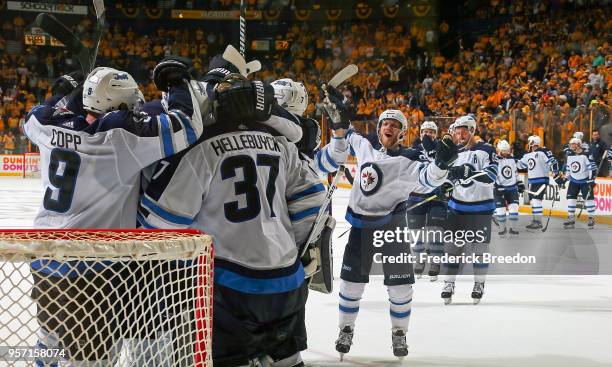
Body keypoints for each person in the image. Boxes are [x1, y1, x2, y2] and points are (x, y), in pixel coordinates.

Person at [23, 58, 206, 364]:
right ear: (122, 107)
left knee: (50, 346)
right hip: (90, 273)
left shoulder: (44, 125)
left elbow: (43, 112)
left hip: (45, 261)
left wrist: (69, 96)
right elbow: (187, 125)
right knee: (89, 360)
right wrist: (178, 84)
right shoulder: (118, 136)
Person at [137, 73, 325, 366]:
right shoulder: (281, 143)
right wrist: (294, 250)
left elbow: (161, 223)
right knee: (288, 358)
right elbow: (313, 201)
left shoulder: (200, 149)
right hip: (287, 280)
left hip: (229, 286)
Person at [316, 92, 457, 358]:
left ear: (402, 132)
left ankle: (399, 333)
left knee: (401, 285)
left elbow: (429, 179)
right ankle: (346, 329)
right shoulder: (364, 146)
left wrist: (442, 164)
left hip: (392, 227)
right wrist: (340, 116)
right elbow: (344, 134)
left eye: (394, 125)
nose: (388, 127)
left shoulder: (411, 157)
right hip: (361, 228)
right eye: (384, 124)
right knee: (350, 283)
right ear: (379, 128)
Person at [440, 115, 498, 305]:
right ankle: (449, 283)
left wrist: (471, 173)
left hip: (481, 209)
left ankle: (479, 283)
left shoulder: (486, 149)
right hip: (457, 207)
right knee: (452, 249)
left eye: (463, 130)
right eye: (457, 131)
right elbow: (448, 177)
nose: (460, 134)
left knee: (479, 250)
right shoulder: (453, 152)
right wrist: (446, 186)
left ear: (472, 130)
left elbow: (492, 175)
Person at [407, 120, 446, 281]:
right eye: (425, 131)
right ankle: (419, 259)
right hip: (415, 196)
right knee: (416, 232)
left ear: (435, 135)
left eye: (431, 131)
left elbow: (450, 169)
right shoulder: (411, 151)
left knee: (436, 230)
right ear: (420, 133)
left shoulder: (443, 150)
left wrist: (448, 185)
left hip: (437, 196)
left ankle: (435, 262)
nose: (428, 134)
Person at [517, 135, 561, 230]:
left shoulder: (543, 151)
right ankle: (536, 221)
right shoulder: (527, 155)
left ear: (532, 143)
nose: (527, 144)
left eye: (529, 142)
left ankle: (537, 222)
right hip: (532, 181)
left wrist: (556, 174)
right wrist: (509, 159)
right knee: (534, 202)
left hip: (541, 180)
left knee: (536, 201)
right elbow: (520, 165)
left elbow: (553, 162)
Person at [560, 137, 597, 229]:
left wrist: (591, 179)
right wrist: (565, 178)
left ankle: (591, 218)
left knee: (589, 199)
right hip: (573, 181)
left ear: (578, 144)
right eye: (571, 144)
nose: (571, 146)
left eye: (573, 144)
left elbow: (592, 168)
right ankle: (571, 218)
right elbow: (569, 169)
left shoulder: (586, 154)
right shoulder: (570, 155)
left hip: (585, 181)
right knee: (571, 199)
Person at [494, 139, 522, 236]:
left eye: (507, 151)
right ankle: (502, 228)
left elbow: (515, 172)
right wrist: (496, 184)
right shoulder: (494, 159)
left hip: (512, 189)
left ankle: (513, 228)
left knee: (514, 208)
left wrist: (519, 182)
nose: (506, 153)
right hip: (499, 189)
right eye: (504, 151)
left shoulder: (512, 159)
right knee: (501, 210)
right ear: (499, 150)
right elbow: (492, 174)